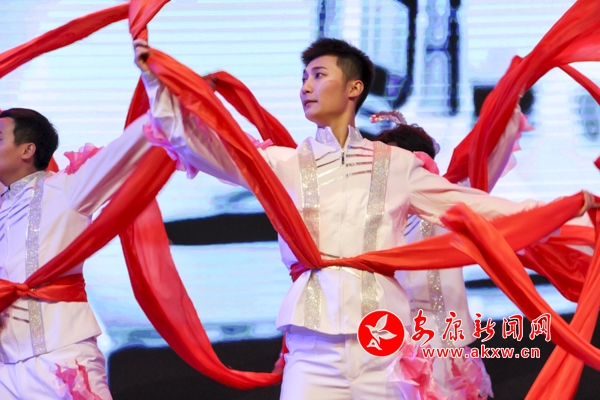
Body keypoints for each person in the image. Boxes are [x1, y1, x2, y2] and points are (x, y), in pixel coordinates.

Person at [133, 37, 597, 399]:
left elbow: (478, 208)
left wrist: (573, 209)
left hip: (383, 343)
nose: (305, 86)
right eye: (303, 78)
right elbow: (204, 146)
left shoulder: (399, 166)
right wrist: (156, 79)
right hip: (313, 345)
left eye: (318, 75)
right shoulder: (281, 163)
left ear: (354, 88)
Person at [0, 108, 151, 399]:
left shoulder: (67, 189)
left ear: (27, 150)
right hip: (5, 365)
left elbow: (124, 151)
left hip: (61, 355)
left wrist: (172, 101)